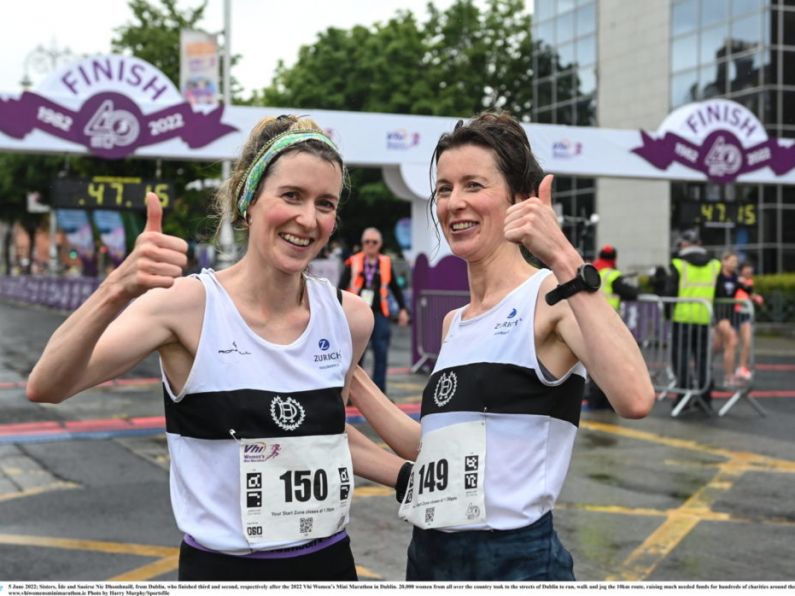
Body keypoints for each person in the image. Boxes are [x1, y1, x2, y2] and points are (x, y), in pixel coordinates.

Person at [26, 115, 408, 581]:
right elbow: (47, 385)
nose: (308, 219)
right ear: (249, 202)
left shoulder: (350, 319)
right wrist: (118, 287)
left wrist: (412, 478)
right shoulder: (186, 306)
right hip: (222, 570)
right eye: (291, 196)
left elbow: (323, 437)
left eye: (324, 203)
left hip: (329, 564)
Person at [348, 112, 654, 581]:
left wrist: (565, 257)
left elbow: (635, 396)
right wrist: (350, 378)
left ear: (519, 199)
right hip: (429, 555)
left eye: (474, 185)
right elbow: (428, 446)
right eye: (445, 188)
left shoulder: (550, 298)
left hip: (515, 562)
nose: (455, 203)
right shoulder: (454, 323)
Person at [338, 228, 410, 392]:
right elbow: (340, 288)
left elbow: (396, 289)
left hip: (379, 314)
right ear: (362, 244)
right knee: (355, 357)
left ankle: (380, 394)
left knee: (381, 354)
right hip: (356, 316)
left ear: (380, 244)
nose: (370, 245)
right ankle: (351, 394)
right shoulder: (353, 261)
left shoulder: (385, 263)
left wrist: (403, 310)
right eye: (367, 242)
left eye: (374, 242)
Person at [665, 230, 721, 411]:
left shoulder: (679, 264)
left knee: (680, 359)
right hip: (704, 318)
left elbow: (669, 292)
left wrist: (667, 313)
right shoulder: (714, 265)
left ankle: (684, 395)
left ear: (685, 245)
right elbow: (719, 293)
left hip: (683, 318)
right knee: (703, 359)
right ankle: (705, 397)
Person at [586, 244, 640, 410]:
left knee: (595, 362)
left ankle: (596, 400)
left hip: (590, 321)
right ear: (615, 258)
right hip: (608, 324)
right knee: (610, 363)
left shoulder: (590, 270)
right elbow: (632, 293)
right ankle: (607, 400)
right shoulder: (613, 275)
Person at [713, 251, 741, 386]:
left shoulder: (735, 277)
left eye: (736, 262)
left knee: (717, 346)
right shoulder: (718, 277)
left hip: (730, 315)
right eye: (732, 261)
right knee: (732, 339)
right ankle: (729, 377)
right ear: (724, 261)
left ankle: (704, 367)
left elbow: (743, 292)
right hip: (720, 314)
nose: (734, 264)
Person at [735, 262, 764, 381]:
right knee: (727, 343)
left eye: (750, 270)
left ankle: (742, 368)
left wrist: (755, 297)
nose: (748, 272)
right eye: (746, 269)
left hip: (745, 314)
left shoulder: (750, 282)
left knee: (747, 341)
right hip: (733, 313)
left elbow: (747, 294)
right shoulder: (736, 280)